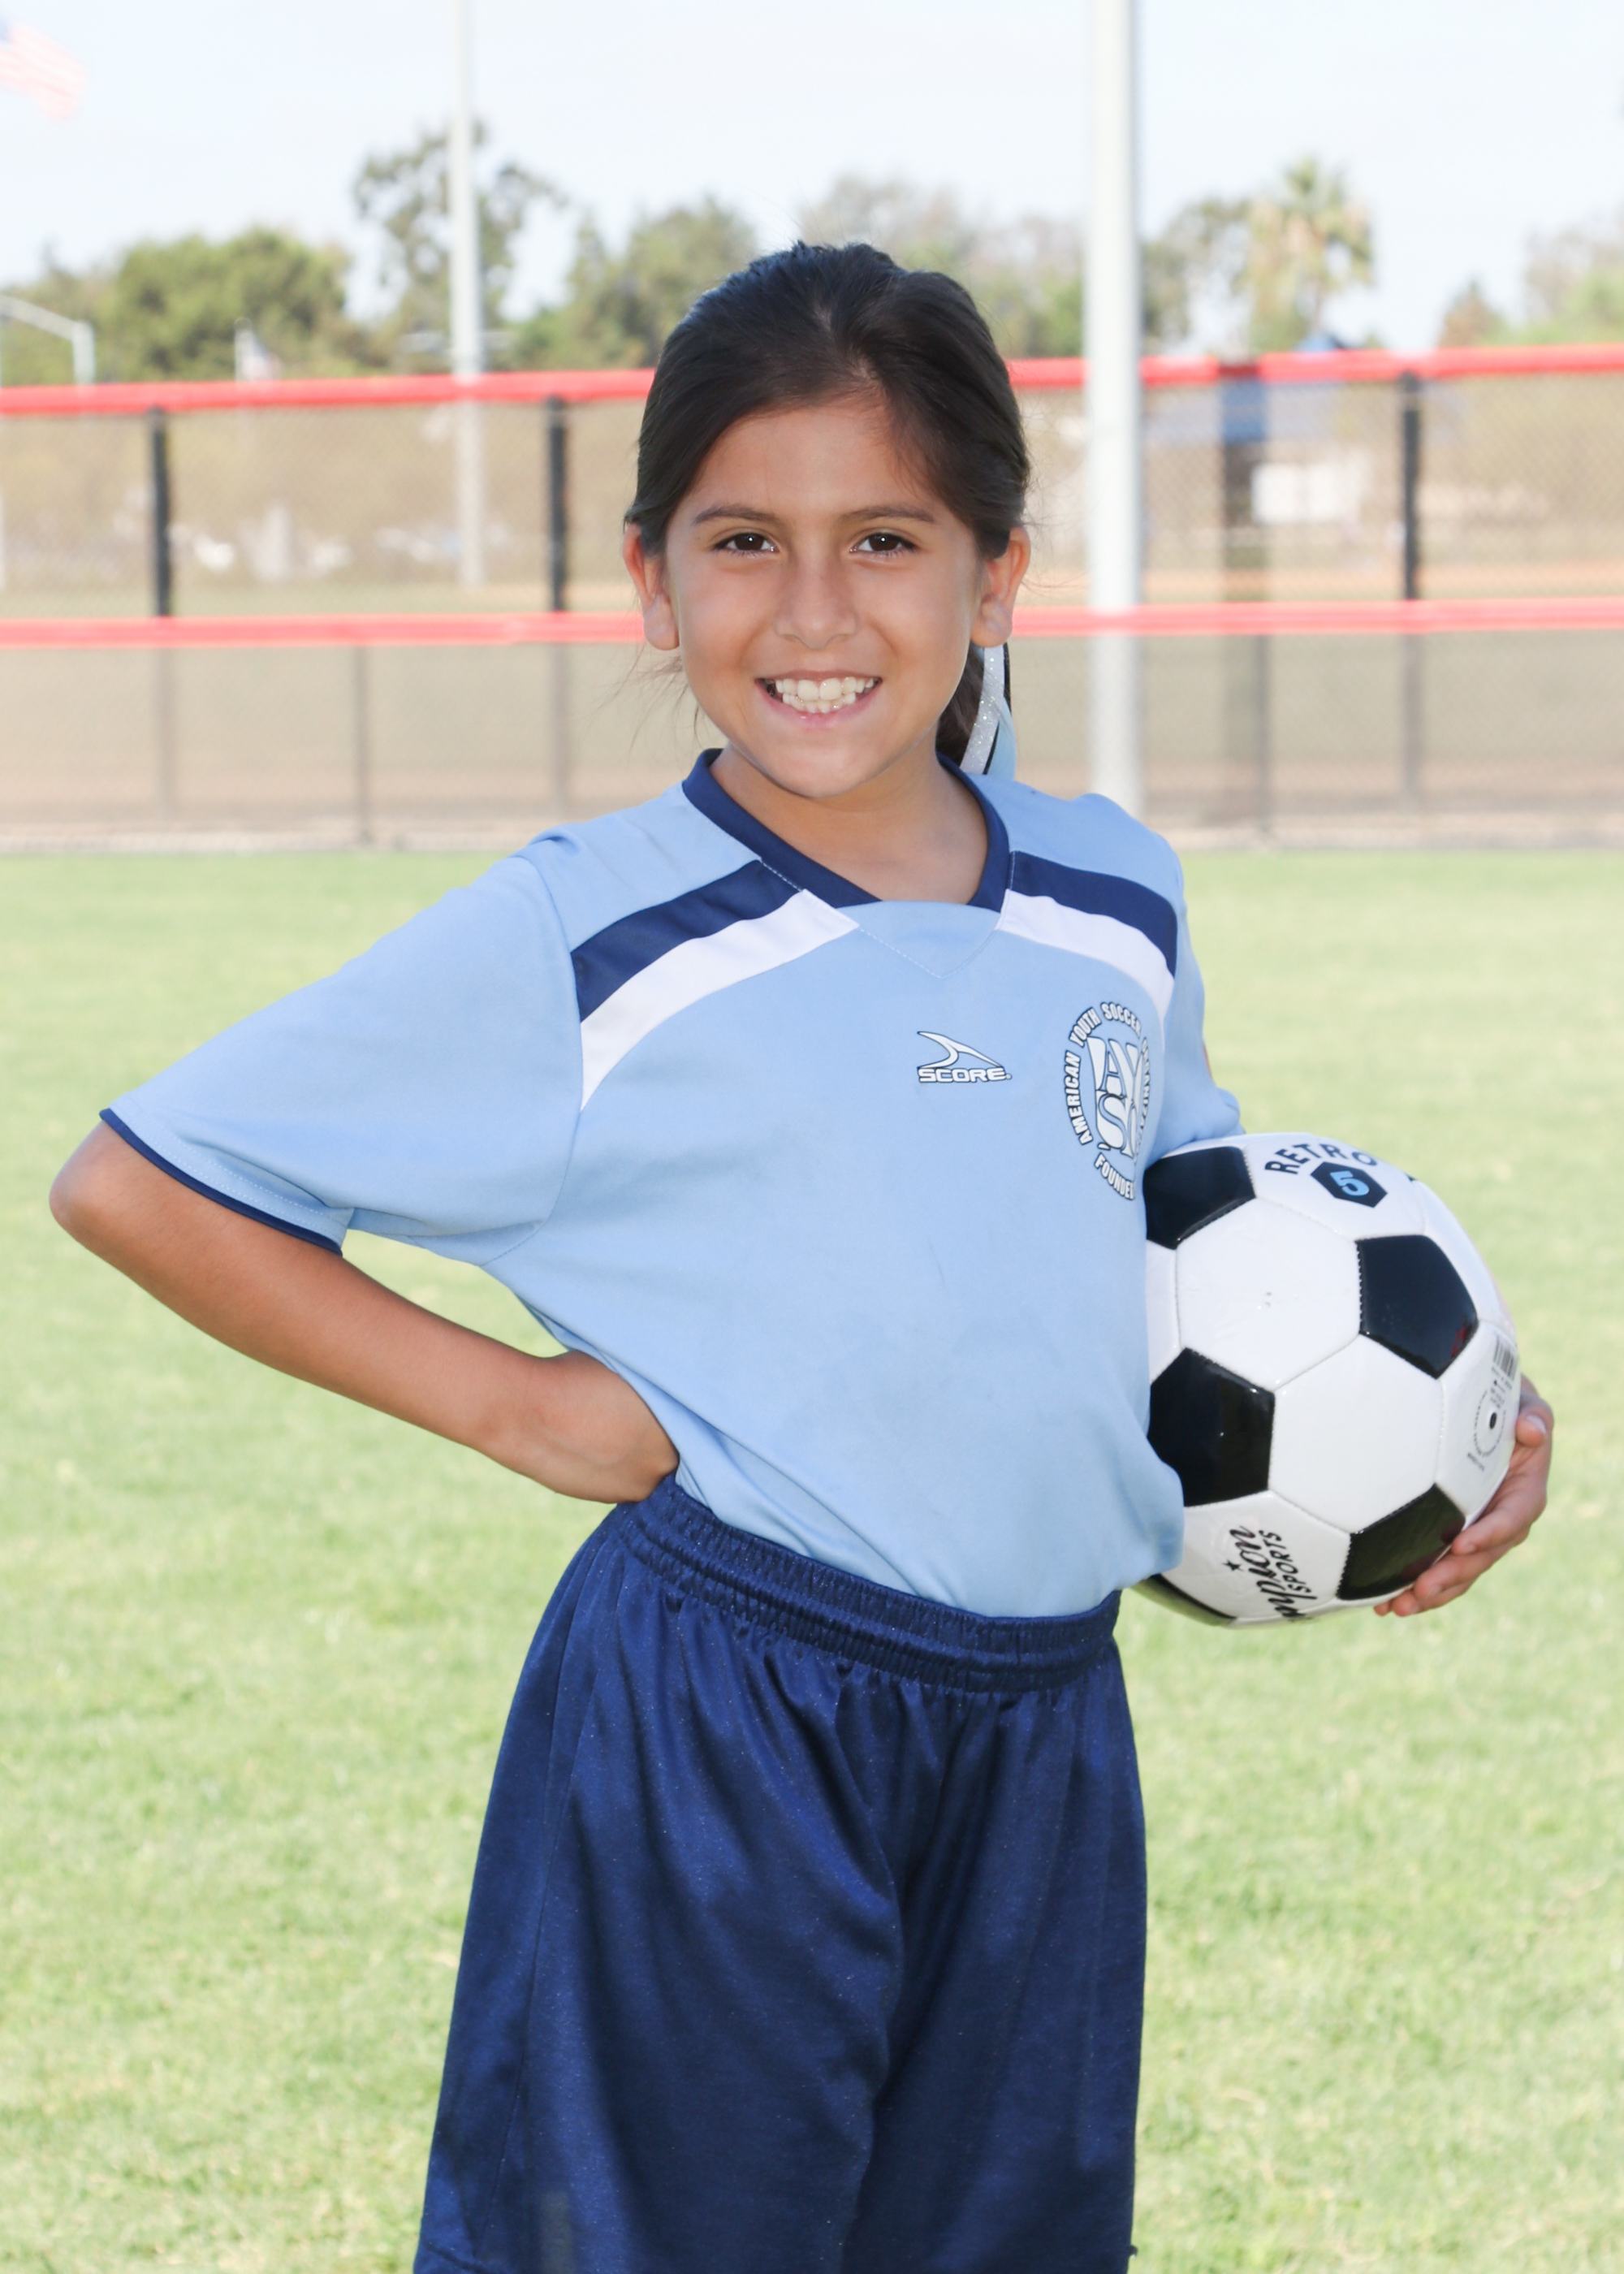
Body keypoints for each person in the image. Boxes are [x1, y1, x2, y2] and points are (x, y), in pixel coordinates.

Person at [50, 244, 1553, 2274]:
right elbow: (145, 1179)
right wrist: (513, 1405)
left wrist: (1457, 1421)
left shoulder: (1112, 896)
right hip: (722, 1712)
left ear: (997, 574)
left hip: (1040, 1728)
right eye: (745, 539)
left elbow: (1185, 1266)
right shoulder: (594, 932)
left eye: (888, 539)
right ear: (651, 579)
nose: (817, 610)